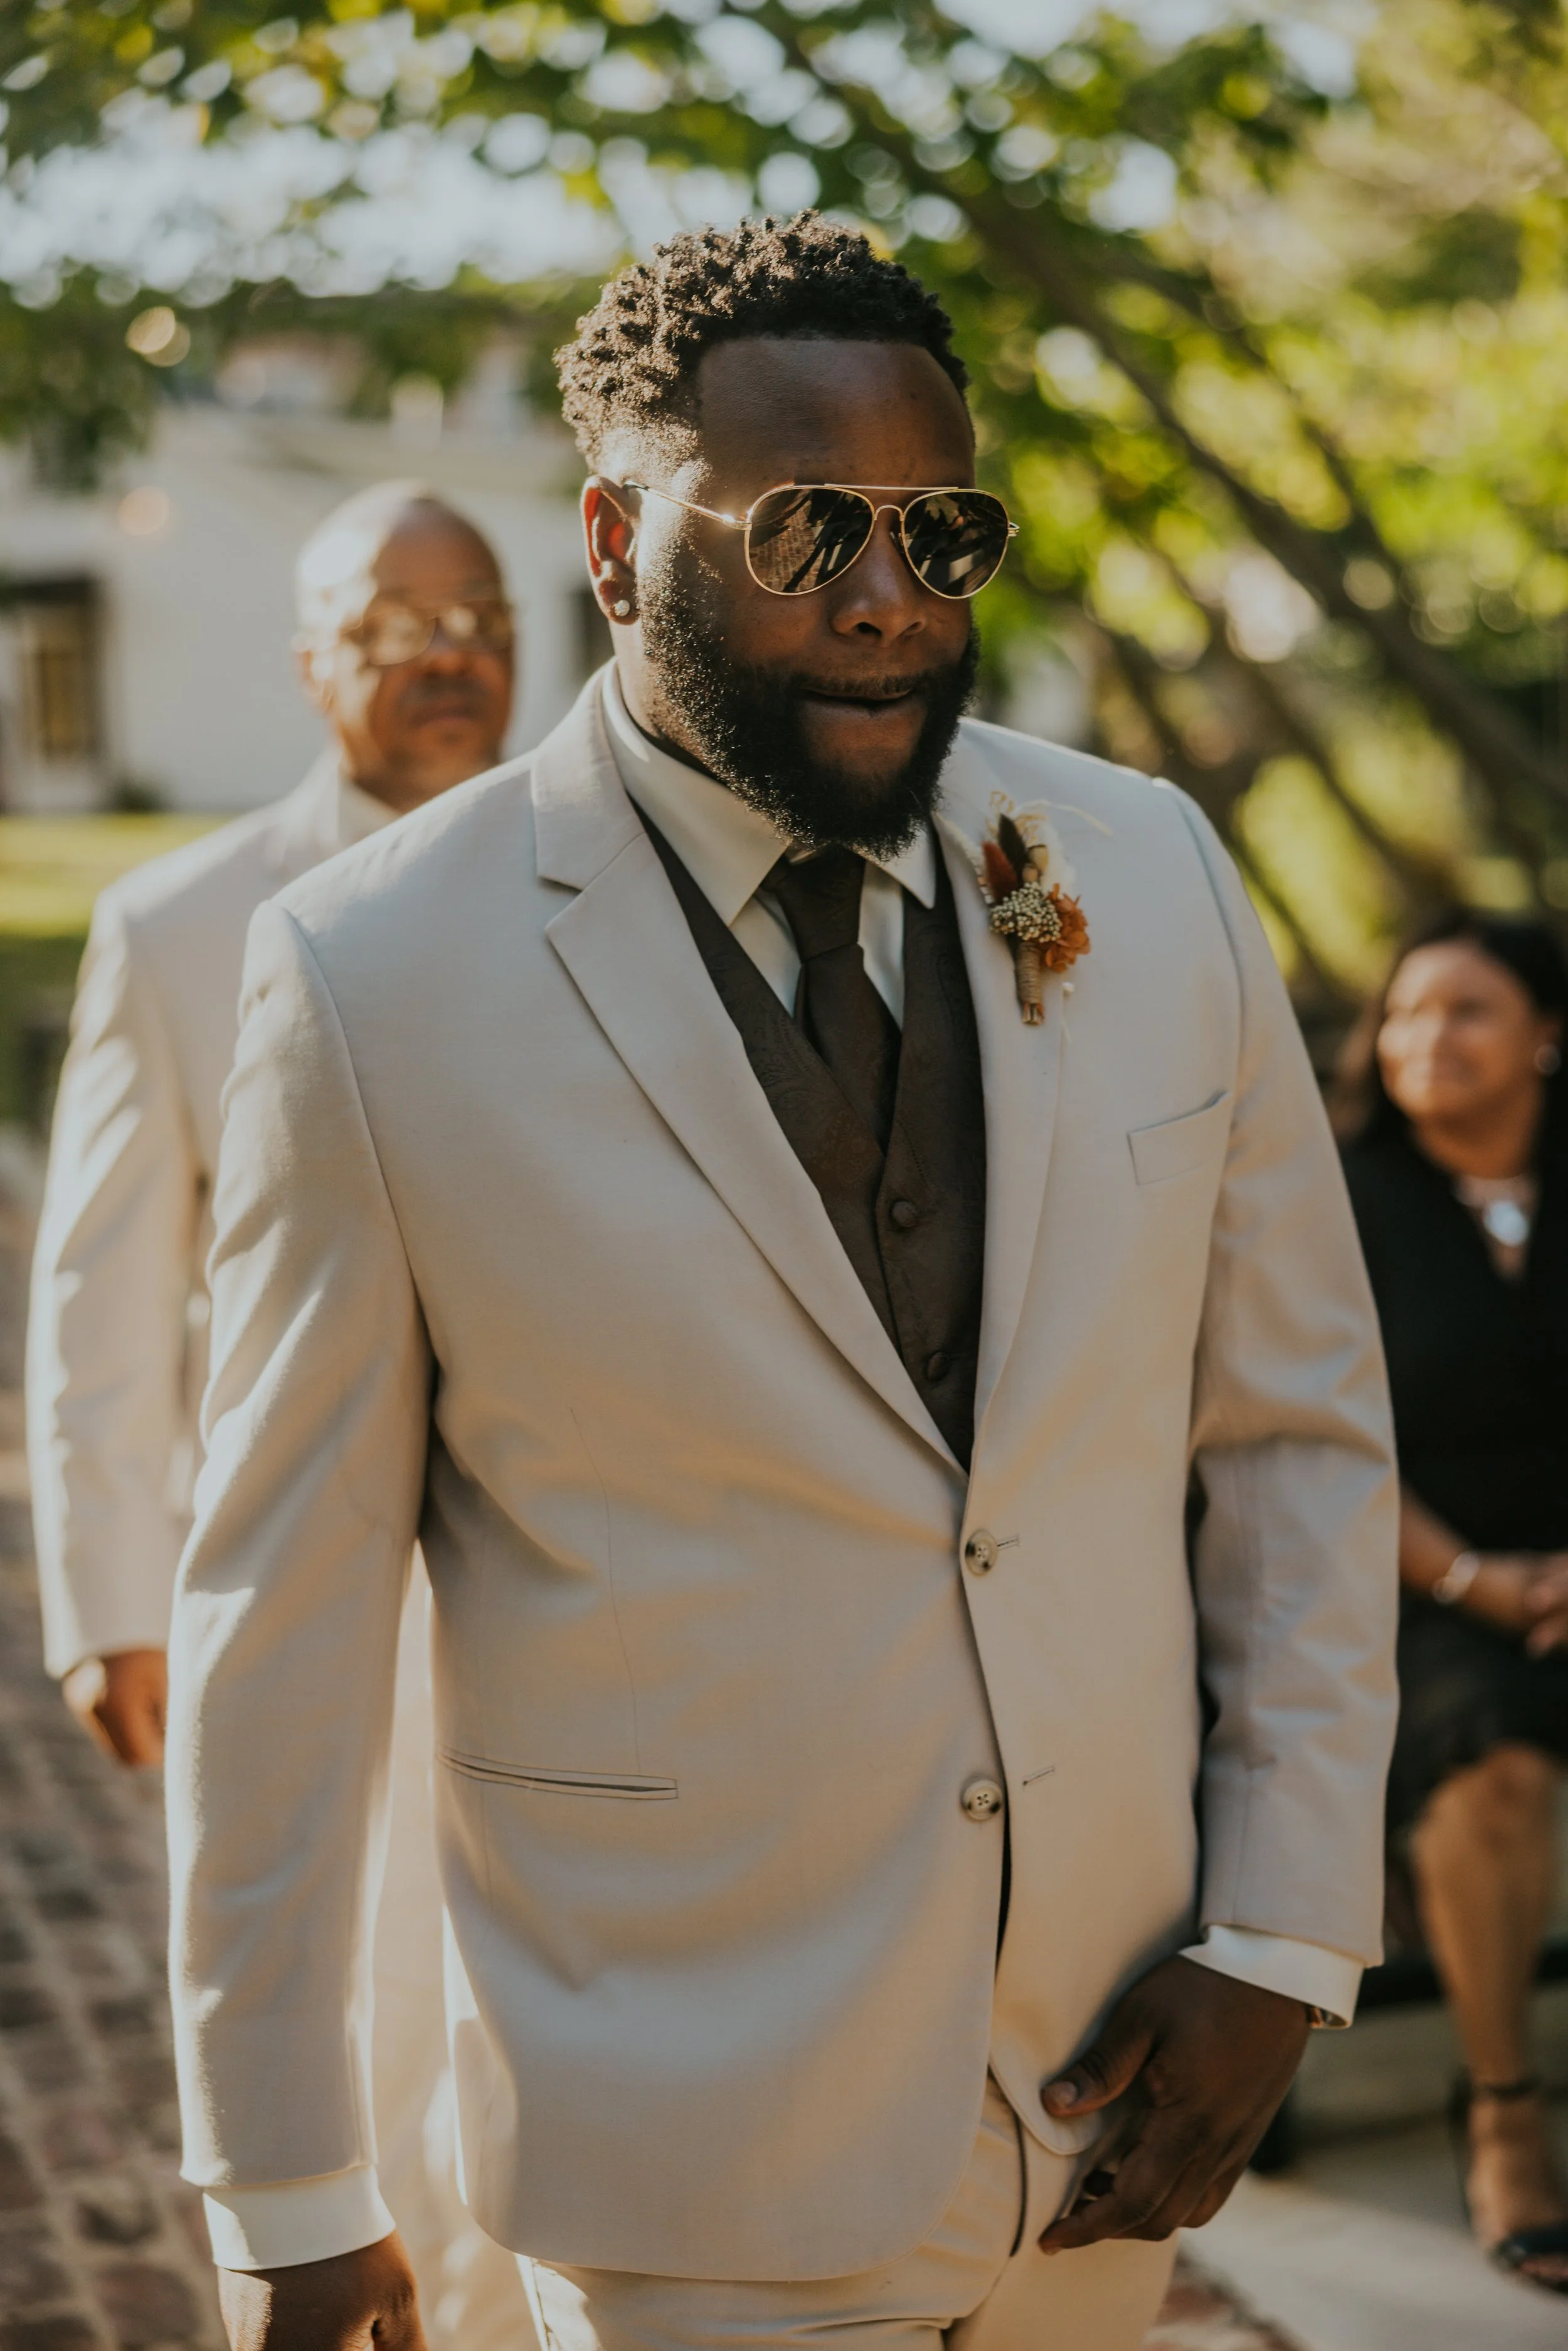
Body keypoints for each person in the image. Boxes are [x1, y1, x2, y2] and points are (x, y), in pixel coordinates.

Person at [167, 215, 1397, 2351]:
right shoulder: (374, 976)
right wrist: (284, 2169)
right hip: (675, 2125)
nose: (888, 593)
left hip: (1113, 2092)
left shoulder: (1151, 877)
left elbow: (1297, 1440)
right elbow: (277, 1618)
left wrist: (1285, 1931)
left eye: (944, 531)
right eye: (810, 524)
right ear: (619, 538)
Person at [26, 480, 535, 2351]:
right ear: (310, 661)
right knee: (354, 2008)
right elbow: (95, 1290)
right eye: (394, 629)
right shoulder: (178, 927)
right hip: (314, 1569)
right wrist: (109, 1591)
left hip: (570, 1551)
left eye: (477, 615)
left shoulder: (613, 886)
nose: (450, 656)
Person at [1338, 908, 1568, 2294]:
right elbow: (1321, 1436)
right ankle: (1503, 2114)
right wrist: (1479, 1581)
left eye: (1466, 1010)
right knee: (1485, 1760)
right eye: (1403, 1011)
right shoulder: (1335, 1198)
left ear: (1546, 1035)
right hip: (1413, 1582)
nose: (1423, 1038)